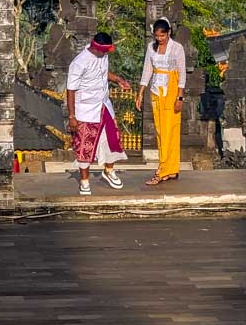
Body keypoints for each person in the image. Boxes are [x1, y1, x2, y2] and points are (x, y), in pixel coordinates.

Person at [66, 31, 131, 196]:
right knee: (84, 146)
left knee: (112, 139)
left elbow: (103, 73)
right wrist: (72, 116)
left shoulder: (103, 56)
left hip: (103, 105)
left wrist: (118, 80)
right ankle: (84, 182)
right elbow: (71, 90)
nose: (106, 54)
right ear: (97, 48)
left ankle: (108, 171)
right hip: (85, 110)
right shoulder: (79, 63)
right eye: (105, 51)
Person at [136, 17, 186, 185]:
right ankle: (170, 168)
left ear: (168, 33)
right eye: (157, 36)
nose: (160, 39)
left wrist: (180, 97)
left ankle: (164, 169)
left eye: (162, 36)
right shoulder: (152, 48)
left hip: (172, 92)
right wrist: (140, 93)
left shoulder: (177, 48)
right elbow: (147, 70)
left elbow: (182, 74)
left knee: (170, 130)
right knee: (160, 130)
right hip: (156, 92)